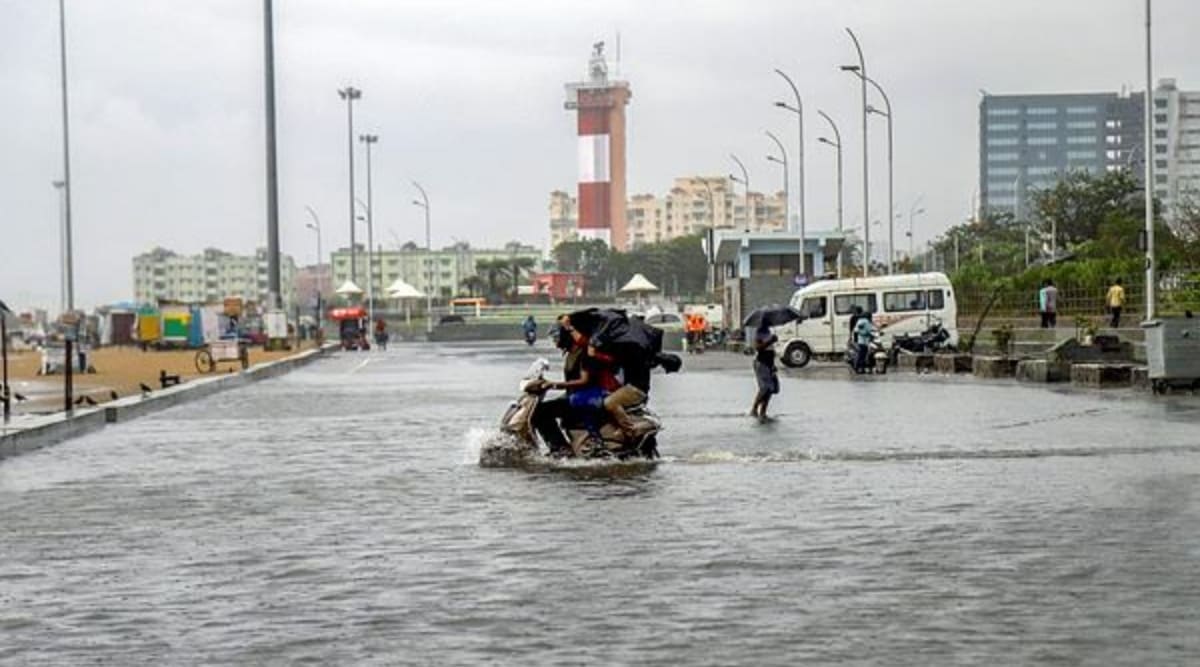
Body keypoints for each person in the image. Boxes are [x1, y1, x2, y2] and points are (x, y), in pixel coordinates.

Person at [749, 324, 779, 421]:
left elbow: (771, 351)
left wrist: (773, 365)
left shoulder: (768, 332)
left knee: (770, 389)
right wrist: (771, 341)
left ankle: (763, 412)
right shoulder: (759, 332)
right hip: (761, 364)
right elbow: (758, 347)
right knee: (765, 388)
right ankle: (754, 409)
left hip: (769, 364)